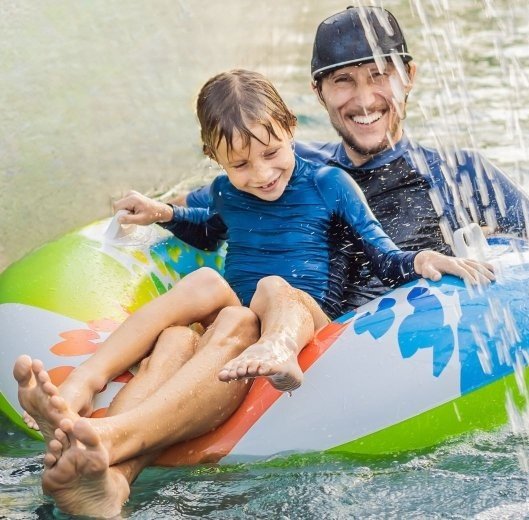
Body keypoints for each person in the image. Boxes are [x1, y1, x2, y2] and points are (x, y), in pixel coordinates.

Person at [16, 4, 529, 518]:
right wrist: (151, 216)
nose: (364, 96)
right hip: (261, 347)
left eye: (379, 74)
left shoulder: (462, 179)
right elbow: (211, 211)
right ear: (318, 94)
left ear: (407, 78)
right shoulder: (290, 163)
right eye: (343, 81)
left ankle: (108, 450)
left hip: (356, 372)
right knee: (189, 333)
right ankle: (103, 465)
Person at [15, 68, 493, 517]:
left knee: (269, 288)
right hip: (243, 323)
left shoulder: (329, 183)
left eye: (271, 153)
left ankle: (116, 426)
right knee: (183, 330)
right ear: (215, 159)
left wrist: (422, 260)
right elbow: (208, 231)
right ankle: (102, 447)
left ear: (289, 128)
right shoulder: (226, 191)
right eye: (240, 164)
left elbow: (380, 253)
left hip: (304, 318)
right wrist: (163, 213)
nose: (261, 174)